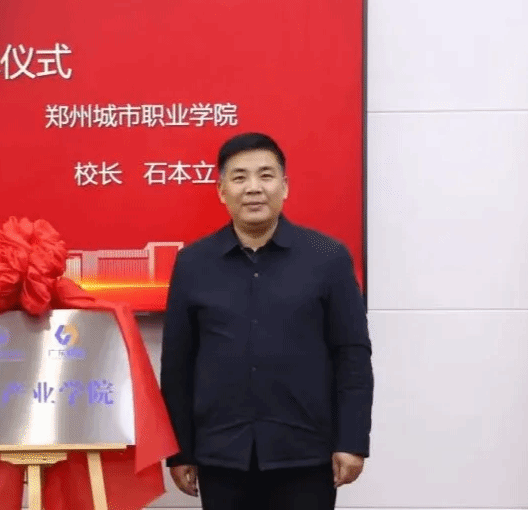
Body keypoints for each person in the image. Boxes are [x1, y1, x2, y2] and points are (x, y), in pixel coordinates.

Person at [159, 132, 373, 510]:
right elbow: (178, 366)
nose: (253, 188)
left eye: (266, 175)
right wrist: (180, 451)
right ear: (222, 191)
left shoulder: (328, 258)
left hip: (306, 452)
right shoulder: (193, 264)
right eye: (239, 177)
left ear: (284, 186)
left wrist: (352, 441)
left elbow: (352, 357)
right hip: (221, 454)